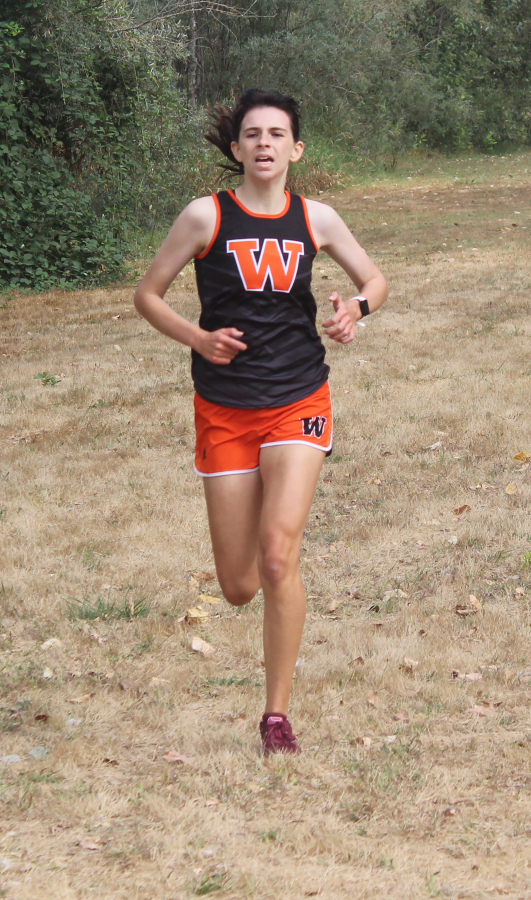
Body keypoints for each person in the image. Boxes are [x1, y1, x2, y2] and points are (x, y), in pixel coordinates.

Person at [134, 88, 388, 755]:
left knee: (279, 556)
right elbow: (146, 295)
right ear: (236, 148)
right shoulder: (203, 217)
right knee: (239, 585)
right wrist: (198, 338)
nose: (265, 143)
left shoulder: (317, 218)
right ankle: (248, 589)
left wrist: (353, 310)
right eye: (253, 134)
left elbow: (374, 280)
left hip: (298, 398)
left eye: (278, 133)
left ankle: (275, 717)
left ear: (295, 149)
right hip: (223, 408)